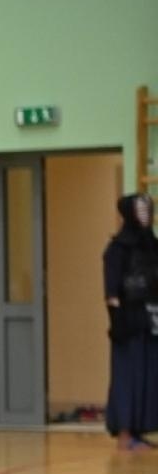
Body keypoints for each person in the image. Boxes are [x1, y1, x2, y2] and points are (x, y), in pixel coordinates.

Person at [103, 193, 158, 451]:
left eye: (149, 210)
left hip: (151, 317)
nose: (145, 215)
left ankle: (138, 429)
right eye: (141, 210)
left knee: (147, 374)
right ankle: (124, 433)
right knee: (128, 375)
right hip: (128, 320)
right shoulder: (117, 249)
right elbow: (112, 290)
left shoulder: (152, 245)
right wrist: (117, 321)